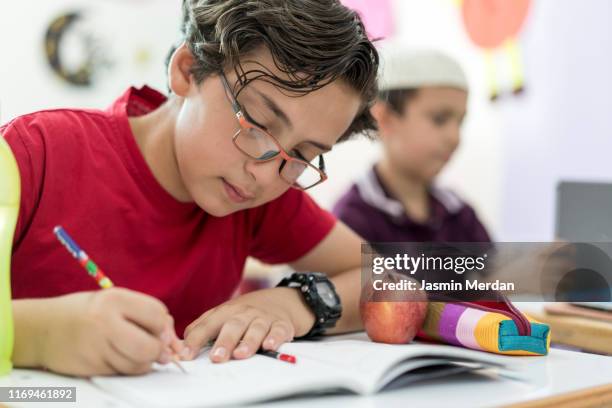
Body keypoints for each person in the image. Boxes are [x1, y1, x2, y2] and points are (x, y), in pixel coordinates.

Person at [1, 0, 378, 376]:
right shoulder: (35, 153)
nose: (266, 176)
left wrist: (296, 303)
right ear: (187, 70)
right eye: (258, 124)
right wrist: (39, 333)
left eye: (302, 153)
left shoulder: (259, 197)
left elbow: (390, 281)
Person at [333, 49, 491, 244]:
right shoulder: (352, 218)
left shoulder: (458, 212)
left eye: (460, 122)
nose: (455, 137)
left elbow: (497, 270)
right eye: (439, 119)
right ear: (385, 118)